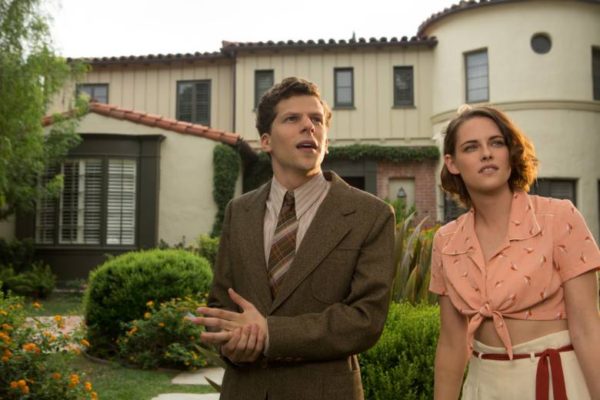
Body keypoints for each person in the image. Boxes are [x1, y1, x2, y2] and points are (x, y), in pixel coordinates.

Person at [191, 77, 396, 400]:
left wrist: (270, 333)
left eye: (316, 119)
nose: (308, 127)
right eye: (292, 119)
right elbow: (222, 304)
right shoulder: (239, 211)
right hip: (246, 390)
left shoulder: (370, 215)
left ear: (326, 141)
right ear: (266, 141)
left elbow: (364, 320)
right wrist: (234, 345)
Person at [430, 105, 600, 400]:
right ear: (452, 163)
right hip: (484, 386)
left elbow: (588, 329)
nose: (486, 153)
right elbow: (452, 343)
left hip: (554, 380)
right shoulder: (446, 241)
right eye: (471, 147)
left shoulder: (559, 218)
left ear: (510, 153)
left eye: (496, 143)